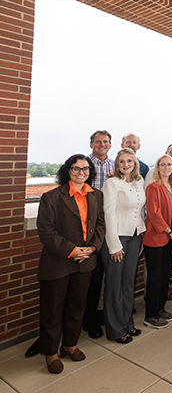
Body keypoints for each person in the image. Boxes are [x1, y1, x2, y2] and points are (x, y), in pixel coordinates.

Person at [36, 154, 105, 373]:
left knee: (77, 307)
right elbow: (46, 232)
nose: (81, 173)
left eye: (85, 169)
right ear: (68, 171)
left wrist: (93, 248)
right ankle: (51, 352)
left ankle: (69, 344)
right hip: (58, 262)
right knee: (53, 309)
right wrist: (72, 250)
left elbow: (101, 225)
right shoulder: (52, 197)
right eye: (76, 169)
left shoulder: (96, 195)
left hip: (85, 261)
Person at [102, 148, 146, 344]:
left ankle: (127, 323)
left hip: (135, 236)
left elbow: (140, 211)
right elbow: (108, 214)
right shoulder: (112, 183)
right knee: (115, 284)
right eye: (122, 162)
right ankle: (115, 329)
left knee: (128, 282)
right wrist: (114, 245)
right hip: (118, 238)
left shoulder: (139, 181)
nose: (126, 164)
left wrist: (141, 235)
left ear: (135, 163)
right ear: (117, 164)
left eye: (129, 161)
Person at [143, 155, 172, 328]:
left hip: (170, 235)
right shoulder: (152, 187)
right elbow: (153, 213)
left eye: (169, 165)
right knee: (155, 276)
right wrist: (167, 229)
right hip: (156, 236)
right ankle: (150, 315)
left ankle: (160, 309)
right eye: (163, 164)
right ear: (157, 168)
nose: (166, 167)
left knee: (166, 274)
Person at [84, 130, 114, 339]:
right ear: (91, 144)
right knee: (90, 275)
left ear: (110, 145)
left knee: (104, 272)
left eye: (105, 142)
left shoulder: (115, 165)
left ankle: (99, 313)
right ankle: (88, 319)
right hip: (88, 224)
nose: (101, 145)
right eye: (98, 142)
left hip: (109, 224)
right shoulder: (83, 164)